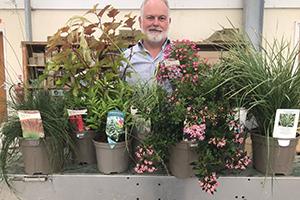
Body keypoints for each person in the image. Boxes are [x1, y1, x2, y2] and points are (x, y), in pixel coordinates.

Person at [121, 0, 171, 85]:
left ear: (169, 22)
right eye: (150, 17)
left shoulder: (181, 56)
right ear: (140, 21)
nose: (155, 23)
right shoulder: (125, 59)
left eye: (161, 18)